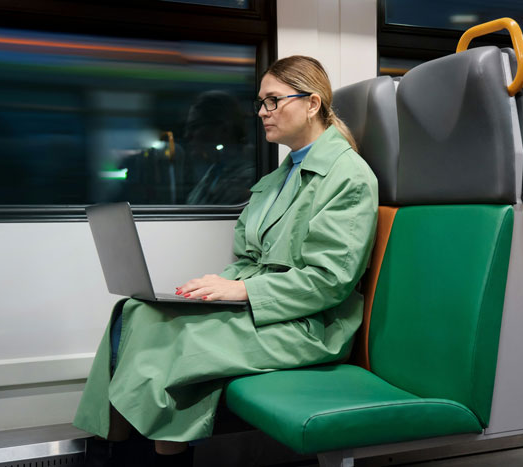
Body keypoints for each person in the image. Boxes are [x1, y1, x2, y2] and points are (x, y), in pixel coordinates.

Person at [74, 55, 379, 466]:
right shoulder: (279, 177)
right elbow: (250, 256)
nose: (261, 113)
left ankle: (156, 454)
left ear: (312, 103)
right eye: (260, 102)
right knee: (135, 312)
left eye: (272, 101)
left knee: (177, 341)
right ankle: (117, 447)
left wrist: (241, 290)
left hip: (310, 323)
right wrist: (213, 288)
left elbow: (329, 282)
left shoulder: (349, 177)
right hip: (269, 306)